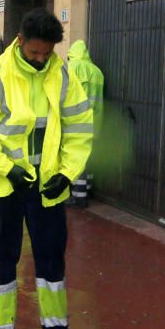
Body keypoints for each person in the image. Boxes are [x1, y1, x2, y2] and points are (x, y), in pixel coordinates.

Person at [0, 9, 94, 329]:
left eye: (46, 54)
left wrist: (67, 174)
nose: (39, 60)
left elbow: (80, 129)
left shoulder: (62, 76)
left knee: (52, 258)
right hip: (4, 186)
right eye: (34, 53)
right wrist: (7, 169)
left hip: (47, 185)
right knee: (4, 260)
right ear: (19, 41)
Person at [65, 40, 104, 207]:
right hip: (95, 121)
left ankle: (79, 197)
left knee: (77, 158)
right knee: (89, 158)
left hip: (76, 121)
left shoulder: (71, 67)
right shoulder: (97, 72)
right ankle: (87, 190)